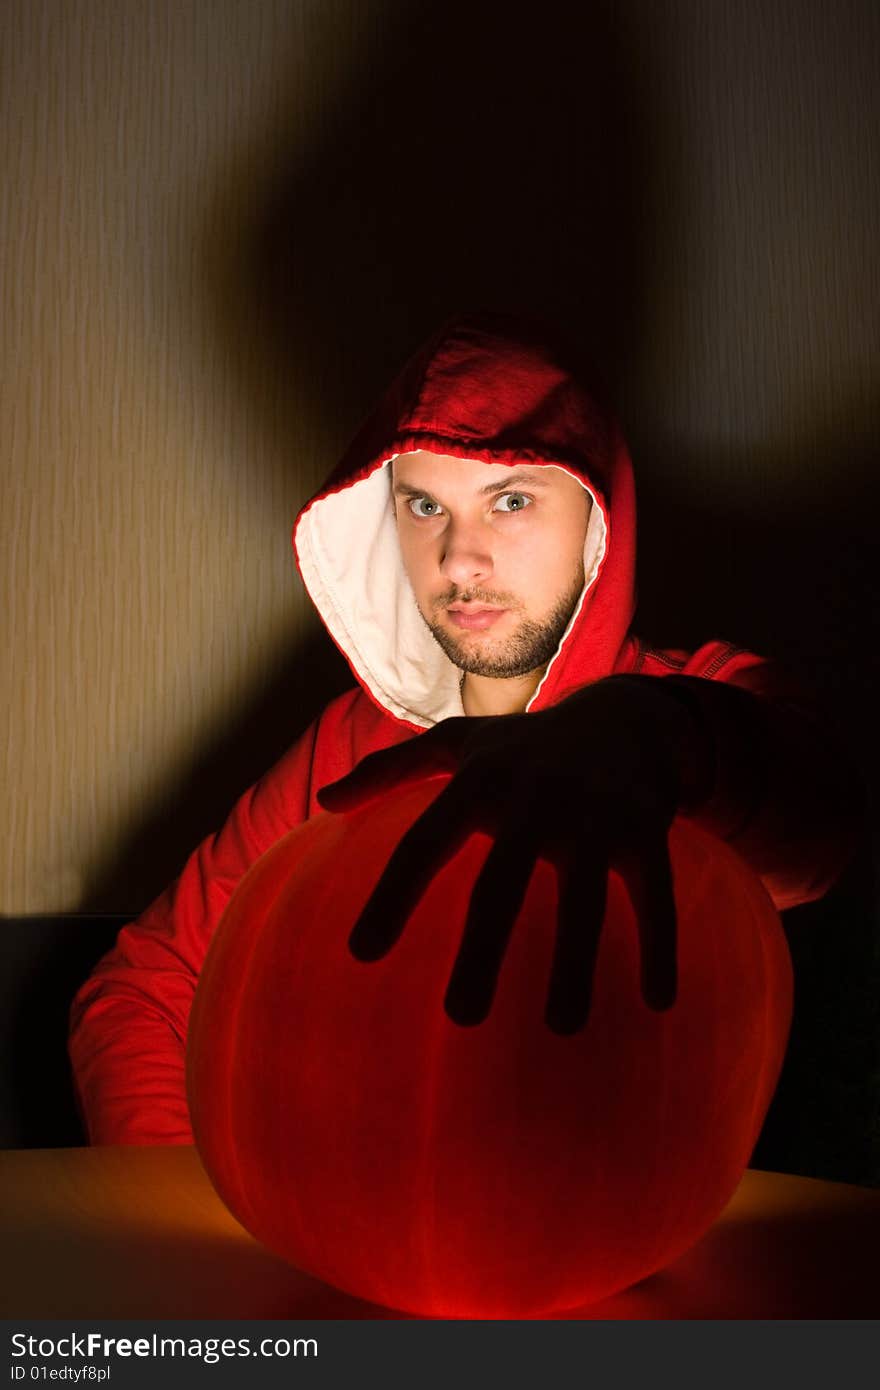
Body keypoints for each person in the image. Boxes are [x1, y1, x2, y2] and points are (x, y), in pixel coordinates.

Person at [68, 310, 861, 1145]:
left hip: (634, 1251)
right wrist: (185, 1232)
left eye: (509, 501)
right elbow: (143, 991)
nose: (458, 560)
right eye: (424, 506)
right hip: (354, 1244)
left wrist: (651, 739)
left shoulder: (707, 701)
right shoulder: (352, 744)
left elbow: (819, 835)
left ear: (597, 518)